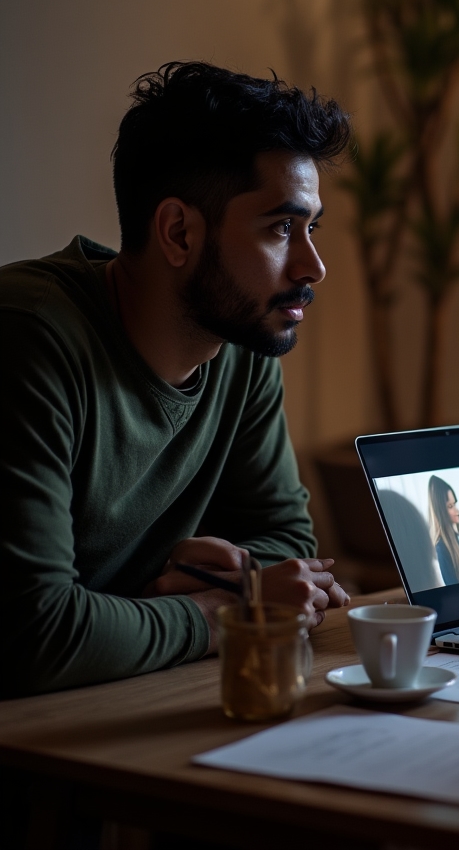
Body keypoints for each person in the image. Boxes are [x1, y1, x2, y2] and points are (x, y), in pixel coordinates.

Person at [0, 62, 353, 698]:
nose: (313, 265)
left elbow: (289, 542)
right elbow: (34, 631)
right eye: (280, 227)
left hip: (104, 702)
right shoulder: (27, 337)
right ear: (179, 232)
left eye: (312, 227)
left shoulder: (241, 341)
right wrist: (226, 611)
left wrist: (209, 580)